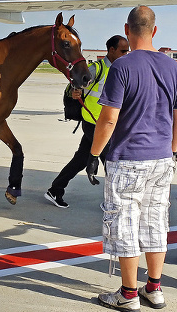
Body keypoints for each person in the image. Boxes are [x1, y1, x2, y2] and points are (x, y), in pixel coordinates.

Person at [86, 6, 177, 312]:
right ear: (154, 31)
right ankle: (154, 288)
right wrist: (170, 149)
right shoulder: (174, 68)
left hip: (128, 158)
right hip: (160, 158)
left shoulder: (122, 67)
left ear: (127, 30)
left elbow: (107, 120)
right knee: (156, 220)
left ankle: (128, 293)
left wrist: (93, 155)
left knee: (125, 223)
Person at [44, 35, 129, 209]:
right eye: (123, 51)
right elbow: (75, 83)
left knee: (81, 159)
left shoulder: (120, 69)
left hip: (107, 124)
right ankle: (114, 201)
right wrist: (75, 92)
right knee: (111, 161)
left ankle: (55, 190)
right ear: (111, 50)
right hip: (93, 123)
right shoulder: (96, 68)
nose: (126, 54)